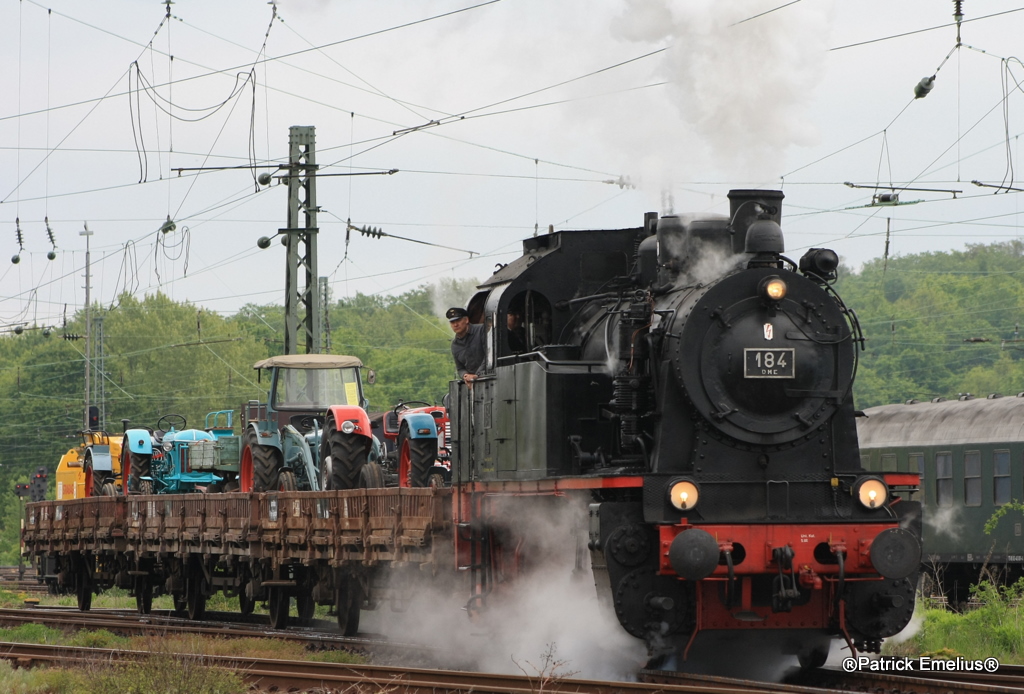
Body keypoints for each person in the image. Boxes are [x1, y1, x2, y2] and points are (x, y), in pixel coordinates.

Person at [447, 307, 486, 382]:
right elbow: (460, 368)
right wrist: (465, 376)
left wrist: (477, 375)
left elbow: (489, 356)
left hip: (489, 377)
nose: (455, 325)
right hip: (471, 382)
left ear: (466, 320)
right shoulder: (454, 345)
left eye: (458, 320)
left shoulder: (481, 330)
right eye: (452, 322)